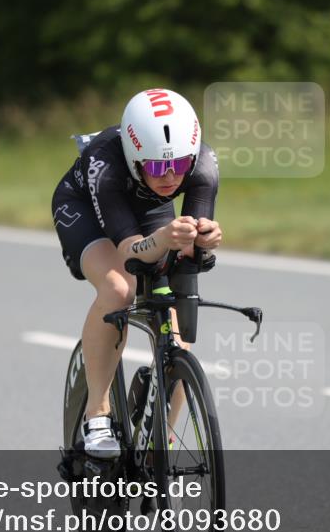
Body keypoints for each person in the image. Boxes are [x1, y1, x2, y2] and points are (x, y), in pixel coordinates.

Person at [51, 88, 221, 458]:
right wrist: (162, 240)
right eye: (158, 167)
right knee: (118, 289)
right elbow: (130, 253)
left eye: (179, 165)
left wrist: (204, 241)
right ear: (133, 158)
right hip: (88, 210)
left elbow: (190, 248)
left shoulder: (204, 164)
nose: (170, 178)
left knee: (176, 329)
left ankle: (163, 438)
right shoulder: (105, 163)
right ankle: (97, 415)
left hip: (147, 213)